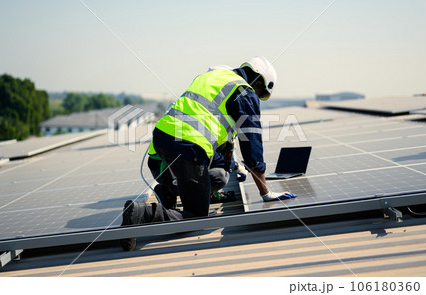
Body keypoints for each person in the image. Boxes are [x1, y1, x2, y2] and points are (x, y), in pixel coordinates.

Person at [120, 56, 296, 251]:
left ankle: (168, 195)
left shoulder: (213, 76)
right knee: (196, 216)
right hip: (188, 147)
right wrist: (266, 192)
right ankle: (139, 213)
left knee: (207, 180)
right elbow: (252, 144)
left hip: (163, 138)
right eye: (261, 92)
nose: (258, 97)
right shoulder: (244, 92)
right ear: (260, 81)